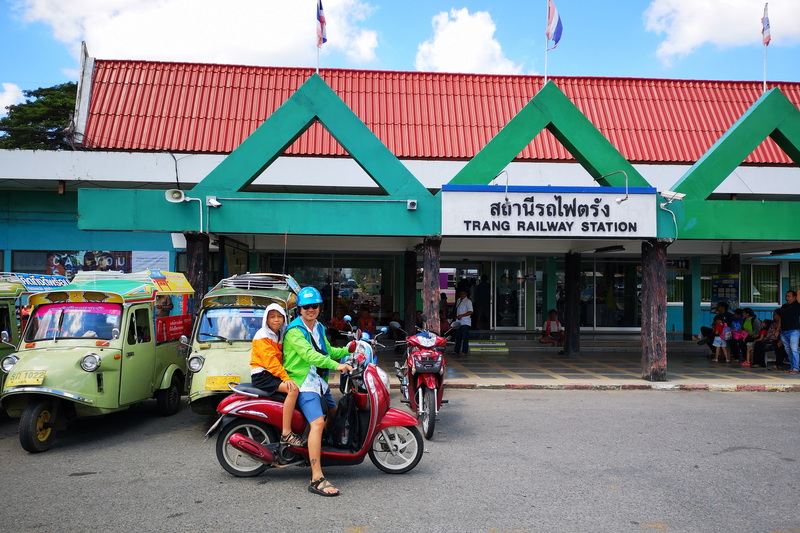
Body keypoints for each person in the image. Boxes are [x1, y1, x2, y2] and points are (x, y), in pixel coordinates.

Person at [282, 286, 354, 497]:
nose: (310, 310)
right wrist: (336, 366)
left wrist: (349, 350)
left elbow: (328, 351)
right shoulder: (295, 331)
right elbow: (310, 356)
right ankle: (316, 477)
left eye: (314, 306)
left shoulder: (319, 328)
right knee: (319, 423)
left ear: (319, 308)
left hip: (318, 382)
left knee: (336, 414)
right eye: (306, 307)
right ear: (300, 309)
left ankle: (320, 450)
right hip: (303, 382)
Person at [249, 303, 305, 447]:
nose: (276, 320)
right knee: (292, 389)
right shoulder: (263, 335)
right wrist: (285, 377)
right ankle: (286, 433)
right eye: (272, 317)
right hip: (262, 375)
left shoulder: (279, 334)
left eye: (279, 316)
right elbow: (271, 362)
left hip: (271, 373)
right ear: (266, 319)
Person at [777, 290, 800, 375]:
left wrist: (797, 294)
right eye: (786, 296)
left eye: (789, 296)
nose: (787, 298)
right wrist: (778, 329)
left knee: (794, 349)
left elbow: (799, 292)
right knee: (788, 350)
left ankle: (796, 368)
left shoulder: (797, 305)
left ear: (794, 297)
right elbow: (780, 318)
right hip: (784, 331)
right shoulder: (783, 306)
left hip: (794, 331)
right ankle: (792, 367)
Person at [453, 288, 473, 357]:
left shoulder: (468, 301)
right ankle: (456, 350)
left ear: (466, 294)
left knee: (465, 337)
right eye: (461, 293)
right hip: (458, 322)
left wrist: (462, 315)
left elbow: (470, 311)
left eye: (463, 293)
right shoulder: (459, 300)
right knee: (458, 337)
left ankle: (464, 351)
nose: (462, 295)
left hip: (465, 322)